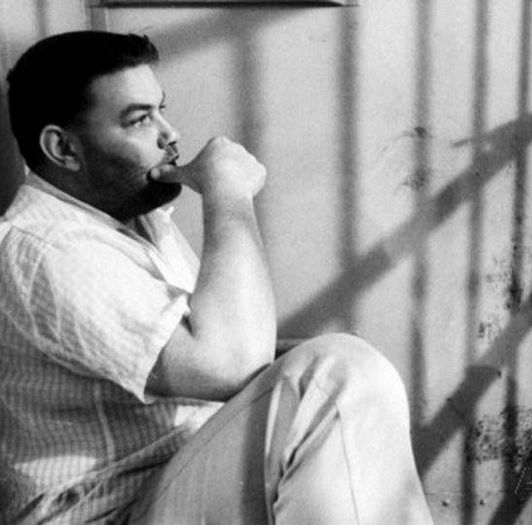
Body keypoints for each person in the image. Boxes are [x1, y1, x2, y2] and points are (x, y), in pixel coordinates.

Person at [0, 31, 433, 524]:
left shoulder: (129, 219)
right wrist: (229, 194)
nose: (170, 134)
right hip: (105, 511)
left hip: (166, 482)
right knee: (335, 375)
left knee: (342, 368)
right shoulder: (51, 248)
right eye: (140, 120)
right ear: (63, 148)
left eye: (162, 110)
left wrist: (311, 363)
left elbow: (231, 356)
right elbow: (229, 367)